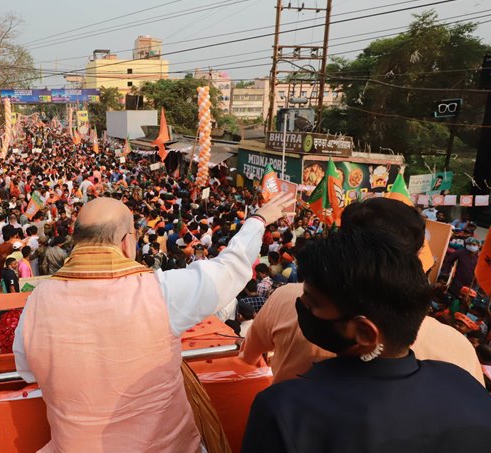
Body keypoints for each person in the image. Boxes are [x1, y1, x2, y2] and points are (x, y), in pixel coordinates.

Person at [14, 193, 292, 452]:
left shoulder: (37, 300)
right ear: (127, 242)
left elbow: (27, 370)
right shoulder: (159, 291)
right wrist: (258, 220)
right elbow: (229, 269)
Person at [241, 230, 491, 453]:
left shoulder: (286, 409)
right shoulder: (464, 385)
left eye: (311, 304)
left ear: (364, 333)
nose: (300, 307)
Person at [240, 197, 485, 385]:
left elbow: (248, 358)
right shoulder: (456, 347)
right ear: (418, 253)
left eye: (313, 303)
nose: (305, 305)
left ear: (365, 334)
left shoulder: (286, 298)